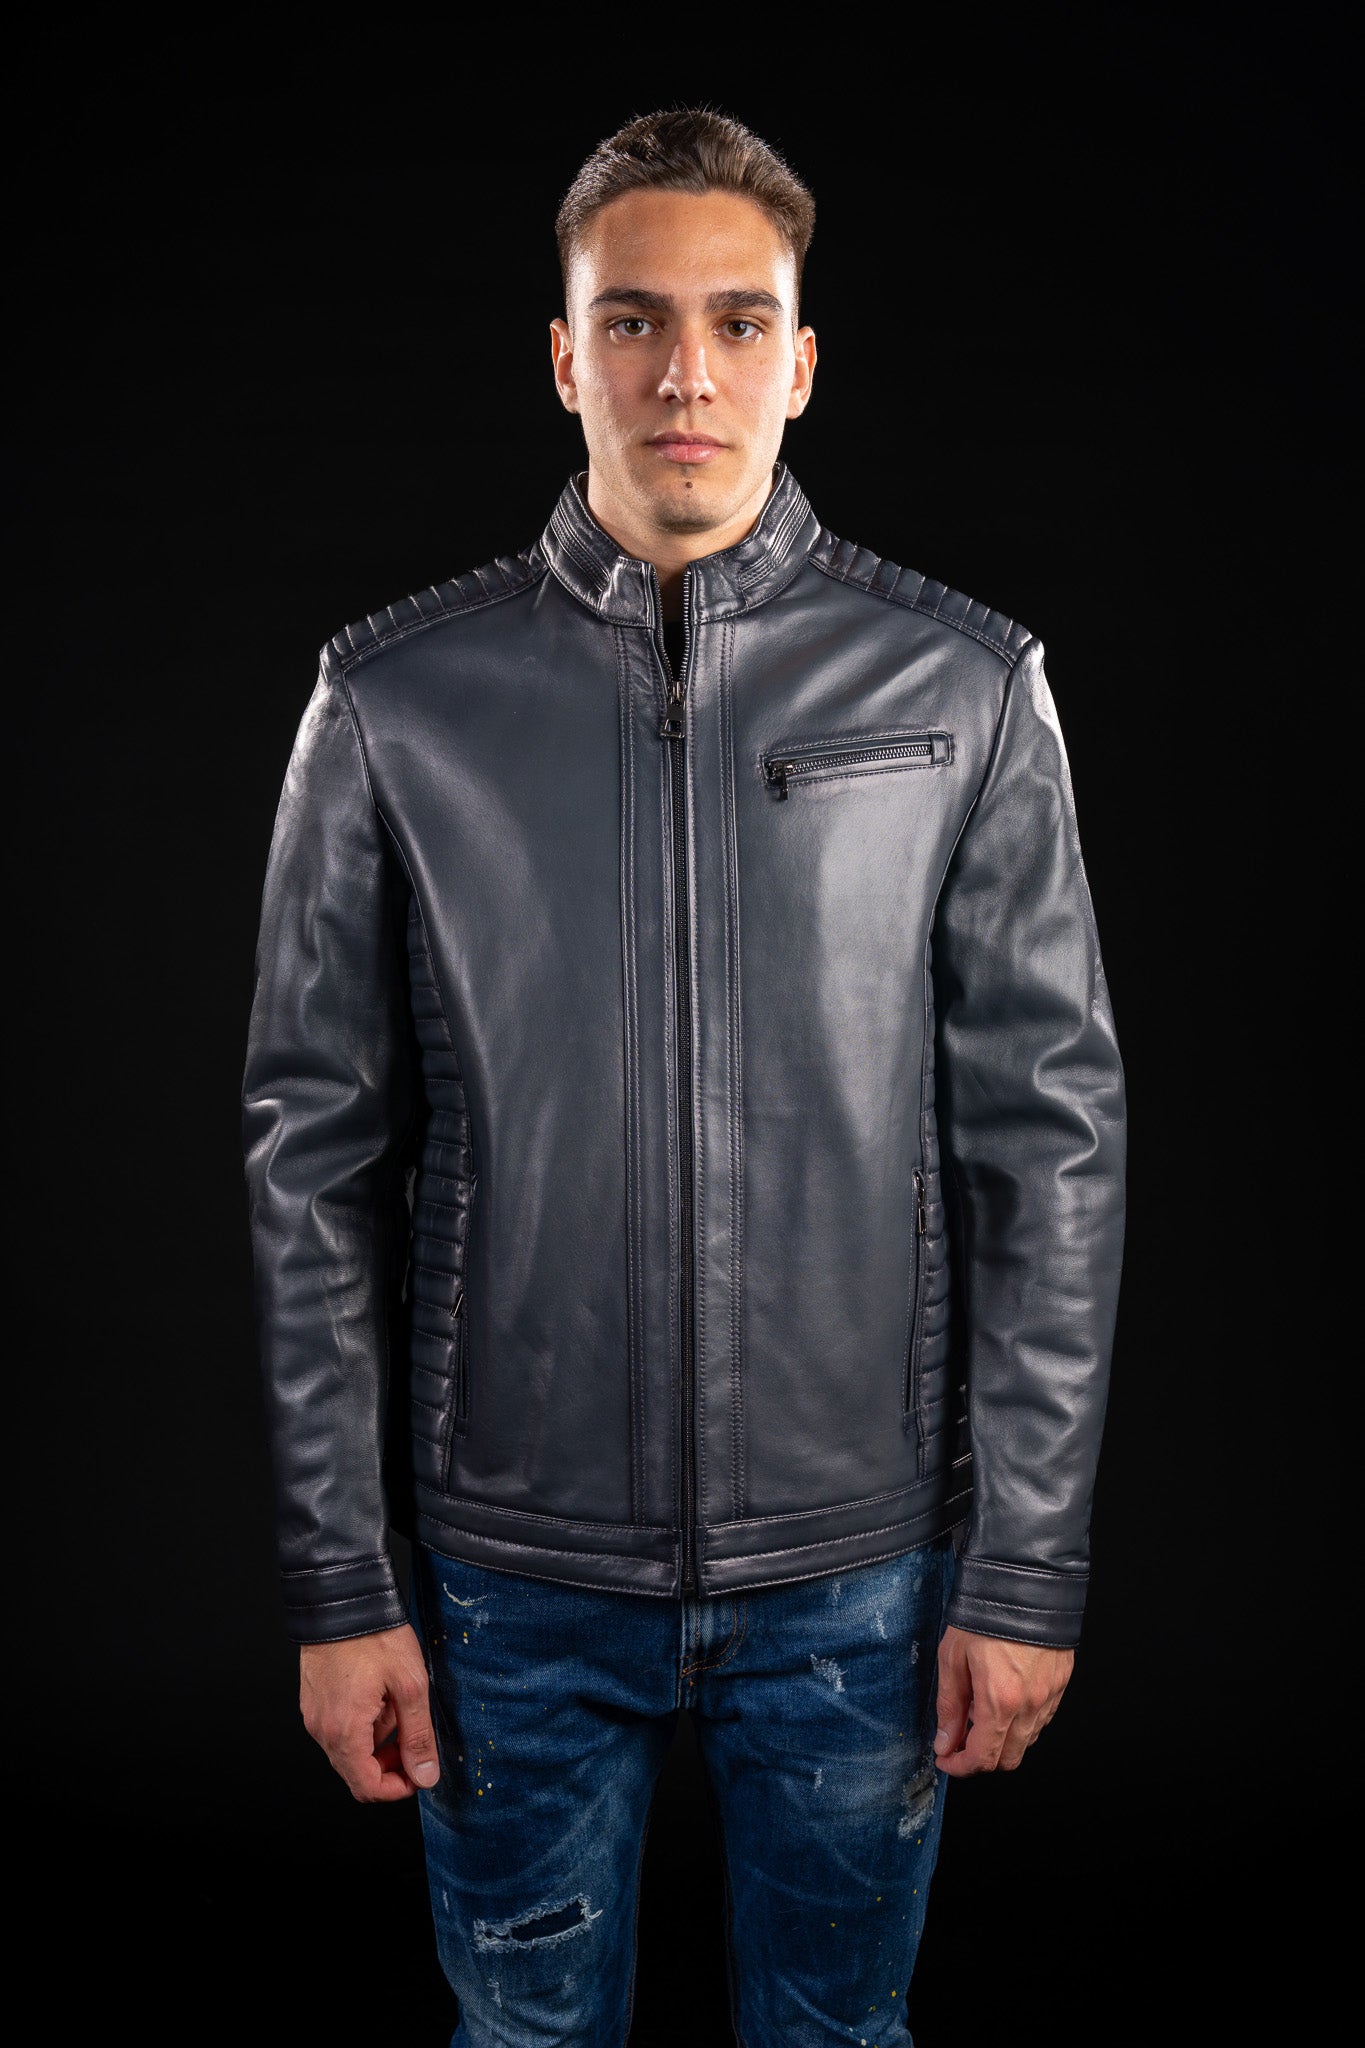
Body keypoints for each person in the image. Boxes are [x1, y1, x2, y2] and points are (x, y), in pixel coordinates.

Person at [242, 107, 1127, 2048]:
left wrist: (1027, 1567)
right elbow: (311, 1163)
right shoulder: (396, 705)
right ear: (566, 357)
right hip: (509, 1577)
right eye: (632, 321)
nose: (685, 374)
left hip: (858, 1576)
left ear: (800, 362)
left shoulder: (960, 691)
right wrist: (339, 1580)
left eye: (737, 323)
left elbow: (1047, 1148)